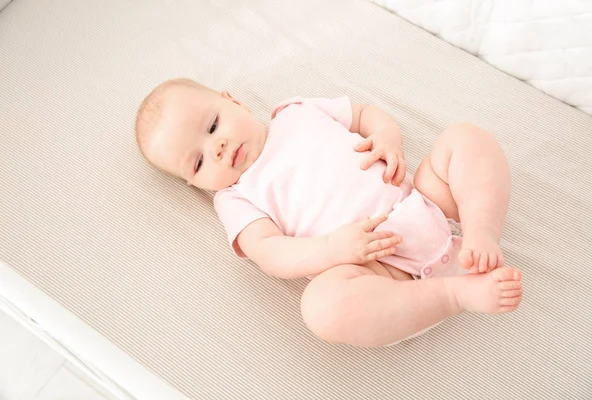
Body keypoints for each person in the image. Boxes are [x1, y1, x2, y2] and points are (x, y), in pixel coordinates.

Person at [135, 78, 523, 348]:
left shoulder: (295, 111)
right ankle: (453, 294)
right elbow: (270, 253)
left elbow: (367, 115)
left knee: (463, 139)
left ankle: (479, 233)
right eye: (199, 162)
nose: (217, 148)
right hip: (379, 266)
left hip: (426, 204)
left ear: (233, 100)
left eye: (213, 125)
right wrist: (334, 250)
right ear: (195, 184)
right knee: (322, 308)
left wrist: (387, 138)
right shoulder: (235, 198)